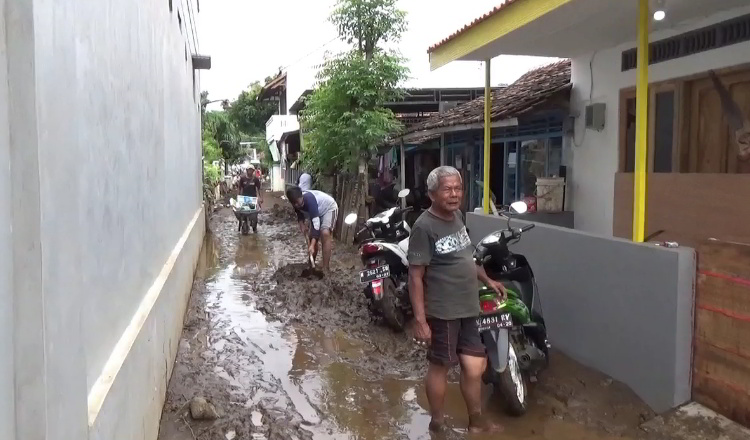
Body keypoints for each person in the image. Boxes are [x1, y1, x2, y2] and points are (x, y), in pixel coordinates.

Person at [407, 166, 506, 434]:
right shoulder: (423, 227)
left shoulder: (458, 217)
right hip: (443, 310)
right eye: (447, 189)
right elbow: (415, 276)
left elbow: (467, 257)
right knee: (441, 365)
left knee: (475, 365)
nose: (454, 194)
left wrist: (487, 280)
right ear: (432, 194)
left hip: (468, 306)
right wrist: (420, 320)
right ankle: (437, 423)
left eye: (458, 188)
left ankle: (476, 421)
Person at [286, 186, 338, 273]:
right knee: (311, 237)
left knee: (325, 233)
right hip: (316, 212)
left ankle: (325, 268)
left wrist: (312, 245)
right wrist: (301, 224)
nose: (297, 205)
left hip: (328, 209)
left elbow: (316, 225)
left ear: (301, 196)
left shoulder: (310, 200)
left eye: (298, 202)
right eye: (295, 204)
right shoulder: (296, 202)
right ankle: (311, 264)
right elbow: (299, 213)